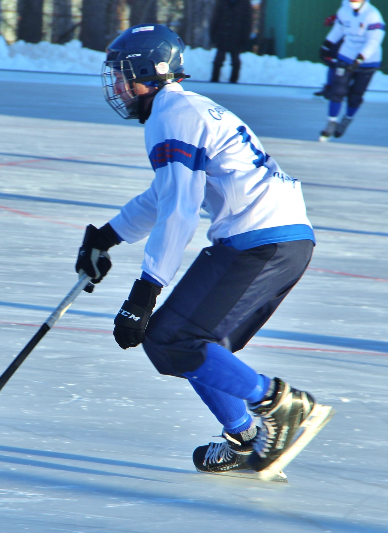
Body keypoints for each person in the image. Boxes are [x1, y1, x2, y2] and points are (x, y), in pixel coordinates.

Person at [79, 24, 333, 477]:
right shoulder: (182, 109)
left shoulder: (170, 116)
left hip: (262, 242)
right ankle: (247, 437)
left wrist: (145, 291)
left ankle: (279, 405)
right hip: (276, 239)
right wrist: (108, 236)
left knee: (171, 338)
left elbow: (180, 211)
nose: (117, 86)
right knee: (192, 344)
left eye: (123, 75)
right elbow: (163, 196)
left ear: (148, 74)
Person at [319, 0, 385, 141]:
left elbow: (374, 41)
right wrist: (326, 46)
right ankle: (331, 122)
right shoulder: (344, 11)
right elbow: (338, 30)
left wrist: (360, 59)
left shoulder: (373, 15)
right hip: (346, 55)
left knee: (356, 95)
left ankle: (347, 119)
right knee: (338, 89)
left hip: (368, 60)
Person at [209, 0, 252, 84]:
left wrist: (245, 37)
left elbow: (247, 20)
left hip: (237, 36)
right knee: (218, 60)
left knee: (235, 62)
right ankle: (214, 80)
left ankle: (233, 82)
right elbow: (216, 17)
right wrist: (213, 33)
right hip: (222, 35)